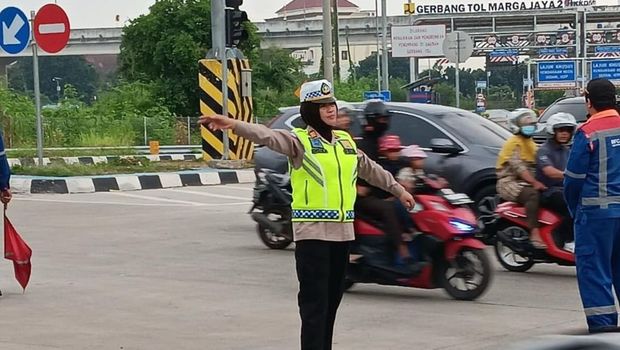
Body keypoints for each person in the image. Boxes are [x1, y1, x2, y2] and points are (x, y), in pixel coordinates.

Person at [199, 79, 415, 350]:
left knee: (332, 303)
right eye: (322, 106)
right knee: (314, 304)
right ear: (310, 112)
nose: (330, 110)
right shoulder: (300, 142)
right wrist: (234, 124)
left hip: (343, 234)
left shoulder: (345, 142)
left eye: (331, 104)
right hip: (312, 234)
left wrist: (398, 190)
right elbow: (267, 136)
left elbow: (370, 169)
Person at [564, 78, 620, 333]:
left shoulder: (587, 131)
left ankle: (605, 334)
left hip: (596, 215)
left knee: (595, 274)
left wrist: (575, 211)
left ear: (589, 101)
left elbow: (573, 180)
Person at [354, 102, 419, 267]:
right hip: (359, 197)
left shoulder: (380, 143)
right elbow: (366, 180)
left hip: (375, 191)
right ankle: (402, 250)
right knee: (388, 208)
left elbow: (393, 163)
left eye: (385, 119)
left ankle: (412, 235)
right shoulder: (363, 145)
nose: (384, 122)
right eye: (381, 119)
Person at [496, 108, 547, 248]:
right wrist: (535, 182)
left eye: (531, 123)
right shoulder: (513, 143)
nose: (529, 126)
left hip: (526, 181)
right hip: (509, 182)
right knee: (532, 195)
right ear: (517, 126)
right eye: (526, 124)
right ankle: (534, 232)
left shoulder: (531, 143)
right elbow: (519, 167)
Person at [535, 112, 577, 253]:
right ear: (553, 131)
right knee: (573, 206)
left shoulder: (567, 151)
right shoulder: (544, 150)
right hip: (548, 192)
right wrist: (571, 176)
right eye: (561, 130)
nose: (565, 133)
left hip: (563, 189)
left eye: (568, 130)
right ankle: (566, 239)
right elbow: (549, 171)